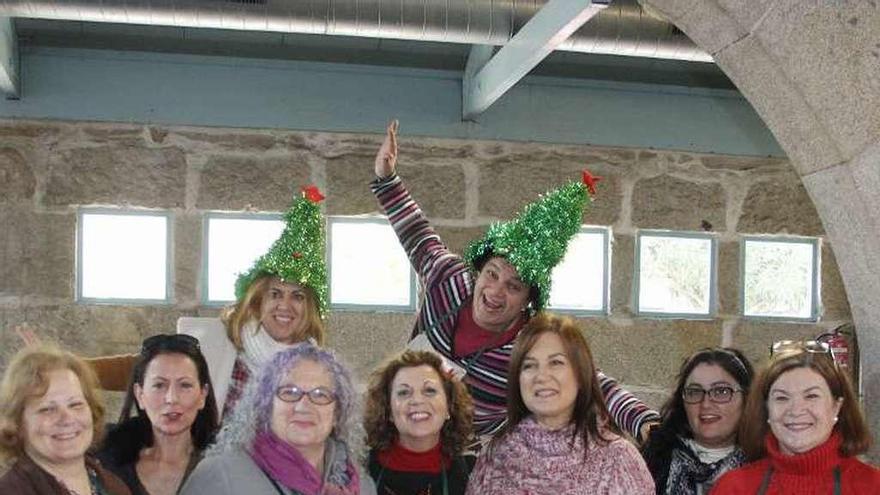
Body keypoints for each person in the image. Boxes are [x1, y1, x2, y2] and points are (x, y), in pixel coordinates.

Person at [371, 119, 659, 442]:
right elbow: (416, 233)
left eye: (514, 286)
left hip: (468, 458)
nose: (495, 291)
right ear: (478, 270)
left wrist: (644, 422)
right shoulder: (447, 280)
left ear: (527, 301)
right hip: (400, 433)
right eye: (492, 274)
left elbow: (593, 382)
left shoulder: (531, 342)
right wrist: (387, 177)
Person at [66, 185, 330, 417]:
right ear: (257, 300)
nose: (286, 305)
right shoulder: (216, 342)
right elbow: (146, 370)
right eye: (275, 294)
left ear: (310, 308)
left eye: (298, 296)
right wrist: (71, 369)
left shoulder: (319, 366)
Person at [465, 313, 654, 494]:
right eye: (529, 365)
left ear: (581, 374)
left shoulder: (618, 459)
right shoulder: (496, 456)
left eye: (555, 363)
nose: (542, 376)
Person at [179, 343, 375, 495]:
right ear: (266, 406)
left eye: (320, 394)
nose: (303, 406)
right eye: (289, 392)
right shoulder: (220, 475)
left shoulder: (361, 485)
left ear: (337, 413)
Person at [711, 341, 880, 494]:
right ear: (767, 409)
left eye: (811, 396)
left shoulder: (872, 486)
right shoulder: (733, 488)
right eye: (782, 398)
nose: (796, 410)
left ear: (837, 407)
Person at [97, 334, 221, 495]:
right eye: (159, 385)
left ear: (202, 395)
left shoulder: (225, 467)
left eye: (185, 385)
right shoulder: (107, 464)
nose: (171, 398)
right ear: (140, 394)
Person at [0, 345, 131, 495]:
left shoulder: (114, 486)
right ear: (17, 423)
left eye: (75, 404)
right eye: (47, 409)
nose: (67, 419)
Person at [641, 348, 754, 494]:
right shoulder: (654, 462)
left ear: (747, 398)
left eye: (721, 391)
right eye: (694, 392)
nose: (706, 403)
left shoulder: (767, 470)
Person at [364, 350, 475, 495]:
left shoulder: (472, 476)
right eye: (404, 392)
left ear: (449, 407)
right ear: (389, 411)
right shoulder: (360, 471)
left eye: (429, 390)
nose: (417, 400)